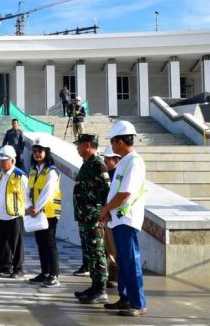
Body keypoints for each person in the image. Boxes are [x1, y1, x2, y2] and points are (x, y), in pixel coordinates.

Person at [99, 121, 148, 317]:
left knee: (130, 261)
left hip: (127, 218)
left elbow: (125, 192)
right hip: (118, 218)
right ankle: (125, 298)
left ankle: (138, 303)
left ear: (119, 141)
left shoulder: (134, 162)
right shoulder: (124, 161)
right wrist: (109, 210)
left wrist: (105, 209)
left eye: (112, 141)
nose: (111, 145)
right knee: (122, 260)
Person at [73, 134, 110, 304]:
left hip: (94, 217)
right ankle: (95, 286)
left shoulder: (97, 164)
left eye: (79, 145)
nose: (77, 148)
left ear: (87, 145)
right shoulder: (87, 164)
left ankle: (101, 289)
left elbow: (107, 190)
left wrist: (103, 213)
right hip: (84, 217)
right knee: (90, 254)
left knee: (97, 253)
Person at [26, 136, 62, 288]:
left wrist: (37, 207)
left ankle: (54, 275)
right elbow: (27, 190)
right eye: (35, 151)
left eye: (40, 151)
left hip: (49, 213)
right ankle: (44, 273)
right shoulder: (34, 171)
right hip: (36, 212)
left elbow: (48, 192)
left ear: (47, 152)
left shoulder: (51, 171)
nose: (37, 153)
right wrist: (29, 206)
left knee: (49, 243)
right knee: (40, 243)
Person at [0, 145, 28, 279]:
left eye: (4, 160)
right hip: (0, 214)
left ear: (12, 160)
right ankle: (5, 266)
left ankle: (18, 268)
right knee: (2, 242)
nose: (1, 163)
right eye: (0, 160)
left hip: (14, 215)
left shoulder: (20, 176)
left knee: (16, 243)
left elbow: (27, 194)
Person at [101, 146, 121, 289]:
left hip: (116, 217)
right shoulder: (108, 174)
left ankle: (116, 276)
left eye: (107, 159)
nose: (105, 161)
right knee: (108, 247)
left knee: (115, 248)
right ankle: (112, 275)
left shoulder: (117, 175)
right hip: (107, 216)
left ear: (116, 160)